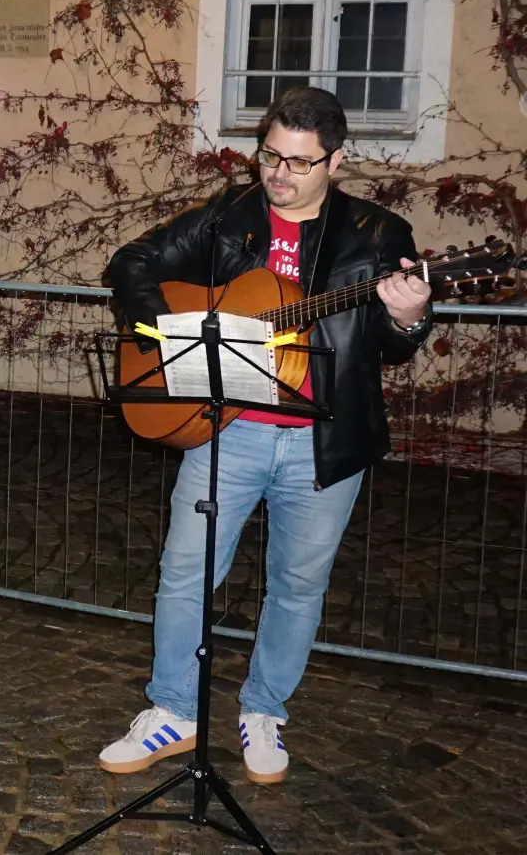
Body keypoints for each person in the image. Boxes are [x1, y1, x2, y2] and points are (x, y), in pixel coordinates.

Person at [98, 86, 434, 783]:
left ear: (335, 162)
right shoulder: (230, 216)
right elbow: (132, 262)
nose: (278, 174)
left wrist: (410, 315)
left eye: (299, 163)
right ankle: (174, 711)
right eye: (269, 155)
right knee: (186, 572)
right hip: (227, 427)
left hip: (325, 439)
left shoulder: (377, 235)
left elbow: (396, 344)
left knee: (297, 585)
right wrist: (170, 334)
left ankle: (263, 711)